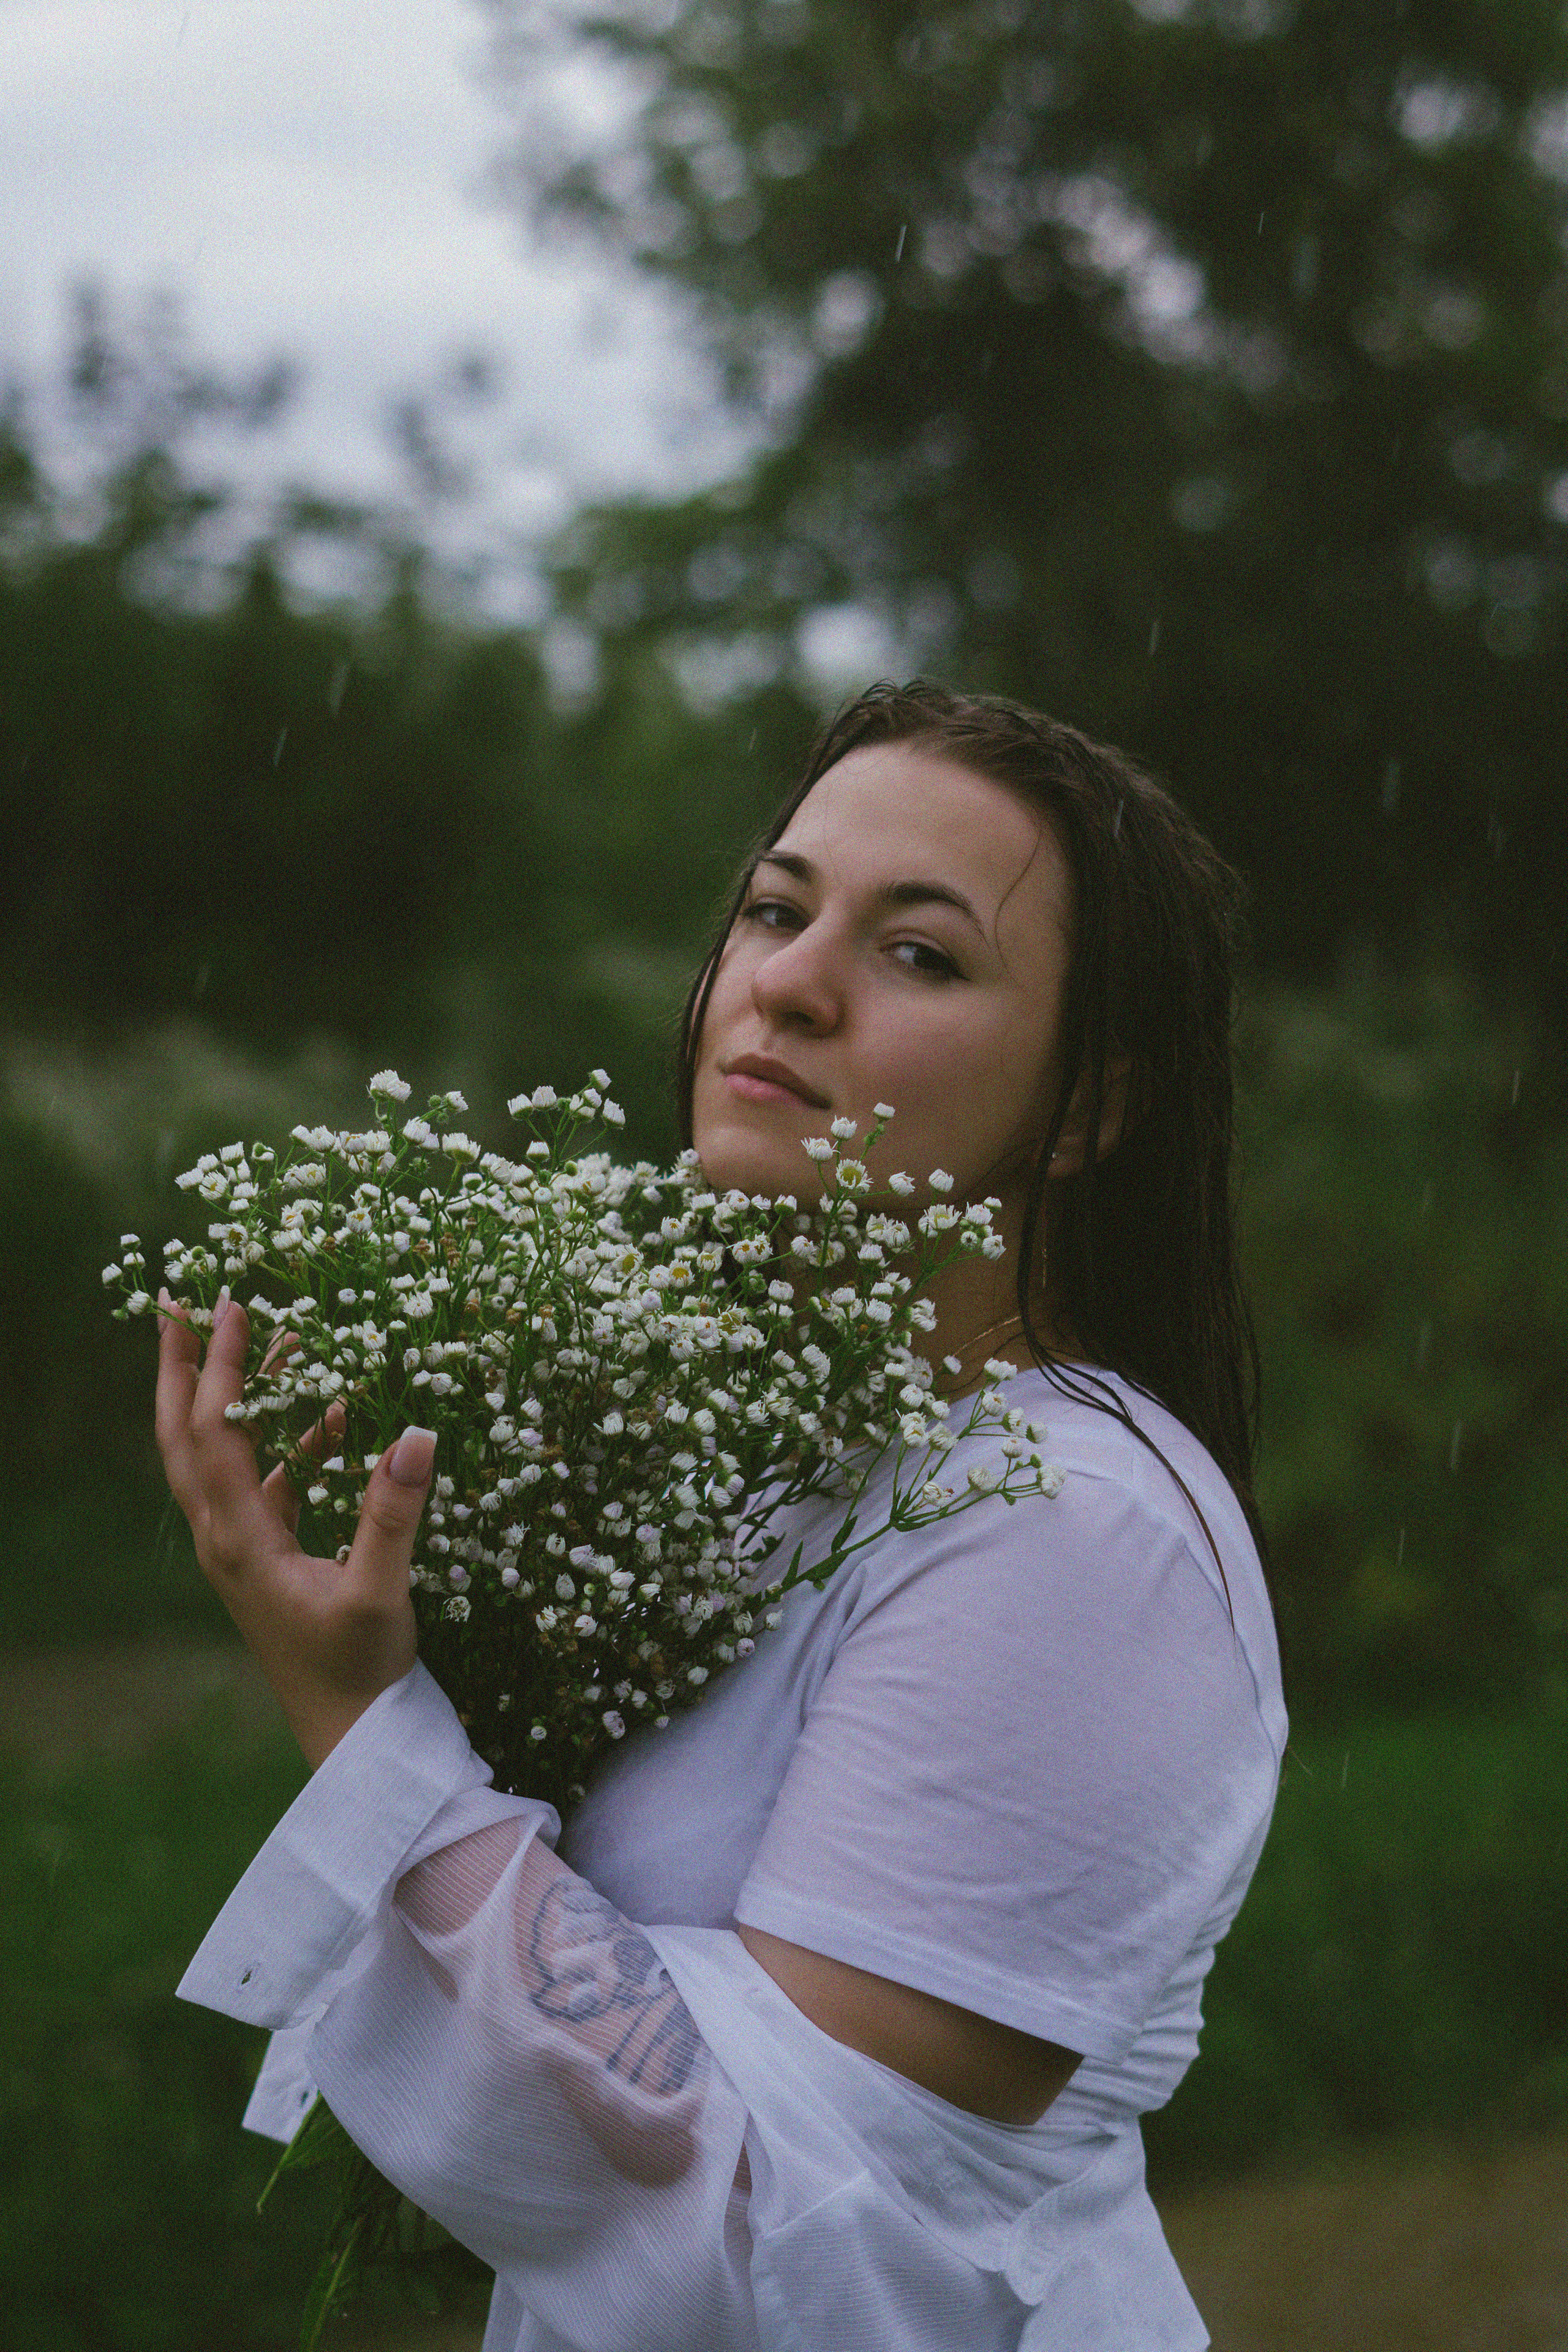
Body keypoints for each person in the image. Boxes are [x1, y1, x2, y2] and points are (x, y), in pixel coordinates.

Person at [161, 682, 1287, 2351]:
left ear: (1095, 1108)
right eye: (776, 908)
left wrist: (364, 1726)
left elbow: (778, 2226)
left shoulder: (1071, 1535)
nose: (791, 984)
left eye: (921, 952)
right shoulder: (773, 1458)